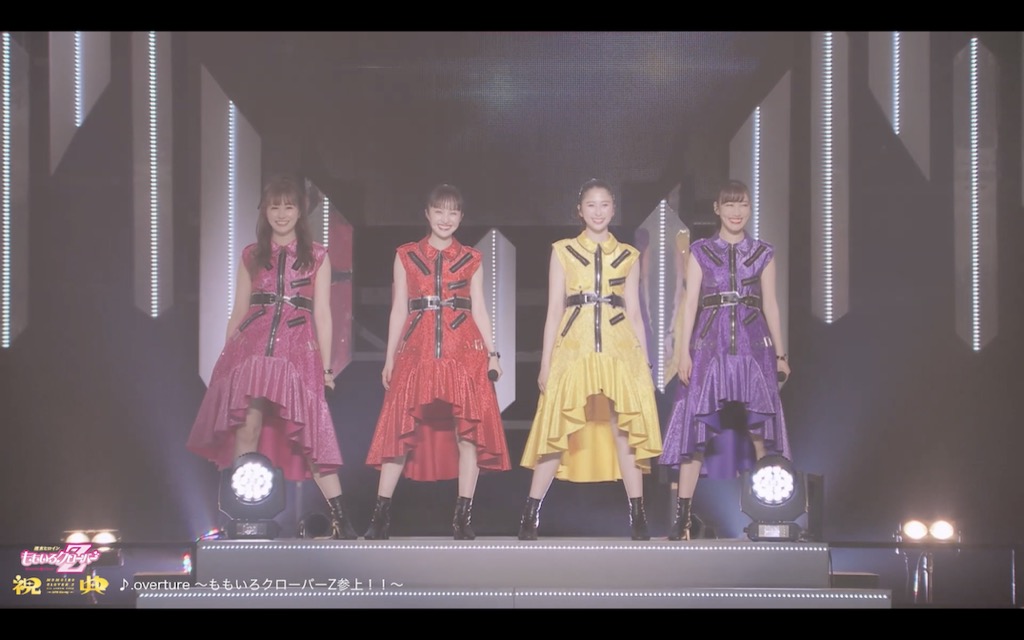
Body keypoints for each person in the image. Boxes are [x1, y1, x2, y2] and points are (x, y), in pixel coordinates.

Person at [186, 173, 358, 540]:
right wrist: (226, 362)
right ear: (264, 211)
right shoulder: (252, 254)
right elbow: (239, 310)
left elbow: (323, 314)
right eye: (274, 207)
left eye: (288, 207)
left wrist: (326, 368)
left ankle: (341, 518)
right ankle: (237, 513)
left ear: (300, 212)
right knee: (246, 427)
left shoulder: (318, 256)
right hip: (251, 350)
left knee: (312, 433)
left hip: (297, 352)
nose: (281, 214)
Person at [517, 178, 663, 541]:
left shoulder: (628, 255)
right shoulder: (563, 251)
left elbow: (635, 313)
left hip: (619, 350)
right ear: (580, 211)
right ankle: (531, 513)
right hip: (574, 349)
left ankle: (638, 514)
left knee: (625, 428)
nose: (598, 211)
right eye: (591, 205)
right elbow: (554, 310)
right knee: (557, 428)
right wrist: (546, 363)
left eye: (604, 204)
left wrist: (645, 363)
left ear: (613, 209)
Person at [364, 183, 511, 540]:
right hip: (417, 351)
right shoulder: (406, 255)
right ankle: (380, 516)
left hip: (465, 353)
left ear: (461, 217)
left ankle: (462, 517)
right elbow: (398, 309)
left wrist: (492, 353)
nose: (446, 218)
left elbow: (480, 309)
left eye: (453, 212)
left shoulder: (472, 258)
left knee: (468, 432)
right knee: (401, 428)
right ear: (427, 214)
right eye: (439, 211)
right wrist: (389, 358)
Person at [659, 179, 792, 540]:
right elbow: (689, 304)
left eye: (743, 204)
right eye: (730, 205)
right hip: (709, 346)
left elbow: (771, 304)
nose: (736, 212)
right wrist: (683, 353)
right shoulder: (701, 251)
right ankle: (683, 519)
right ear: (717, 209)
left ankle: (770, 513)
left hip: (753, 346)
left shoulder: (762, 252)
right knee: (698, 430)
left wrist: (780, 355)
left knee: (760, 428)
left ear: (749, 208)